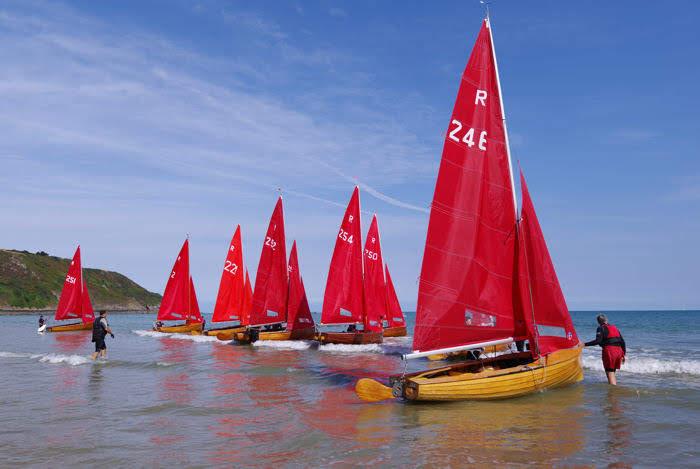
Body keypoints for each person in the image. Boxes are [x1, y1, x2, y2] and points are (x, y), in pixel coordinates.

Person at [585, 314, 626, 385]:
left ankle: (612, 393)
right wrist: (623, 355)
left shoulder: (600, 328)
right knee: (612, 371)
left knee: (610, 372)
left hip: (610, 351)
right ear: (606, 320)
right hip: (619, 351)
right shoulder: (615, 328)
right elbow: (622, 342)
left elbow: (598, 341)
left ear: (598, 322)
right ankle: (612, 388)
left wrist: (584, 344)